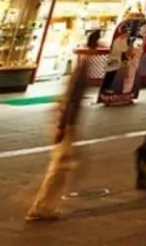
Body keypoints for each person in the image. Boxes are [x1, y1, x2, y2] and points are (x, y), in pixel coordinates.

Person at [26, 58, 91, 221]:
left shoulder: (81, 69)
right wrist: (63, 126)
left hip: (67, 125)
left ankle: (44, 205)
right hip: (67, 126)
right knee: (59, 168)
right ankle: (40, 207)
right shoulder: (81, 71)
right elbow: (71, 101)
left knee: (61, 167)